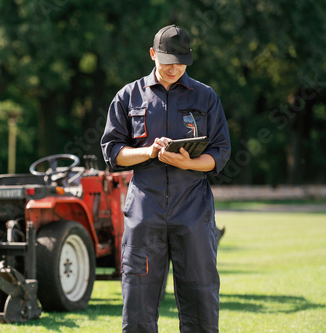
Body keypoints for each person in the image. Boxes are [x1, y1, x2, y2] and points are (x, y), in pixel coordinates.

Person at [101, 24, 231, 333]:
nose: (174, 69)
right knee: (138, 302)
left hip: (194, 212)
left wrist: (189, 162)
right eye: (166, 61)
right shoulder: (127, 96)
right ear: (152, 55)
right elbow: (113, 152)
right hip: (145, 212)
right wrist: (148, 153)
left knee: (201, 297)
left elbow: (221, 152)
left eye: (181, 62)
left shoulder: (206, 96)